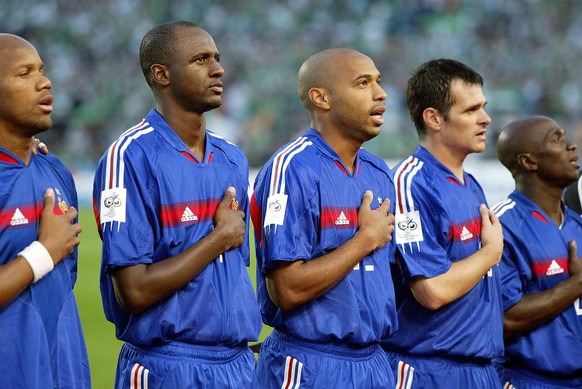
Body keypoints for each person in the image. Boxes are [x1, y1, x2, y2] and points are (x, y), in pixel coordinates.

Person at [92, 21, 261, 388]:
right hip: (167, 367)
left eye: (216, 58)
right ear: (162, 74)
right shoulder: (129, 157)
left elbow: (231, 274)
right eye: (201, 60)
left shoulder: (232, 159)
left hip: (237, 364)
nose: (218, 69)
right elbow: (134, 291)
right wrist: (217, 238)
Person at [250, 48, 398, 388]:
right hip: (311, 365)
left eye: (378, 81)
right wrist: (364, 240)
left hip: (374, 363)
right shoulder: (291, 169)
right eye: (363, 83)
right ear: (321, 98)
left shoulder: (379, 173)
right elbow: (286, 289)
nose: (381, 93)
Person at [382, 58, 505, 387]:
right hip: (428, 370)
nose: (485, 119)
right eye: (471, 110)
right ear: (433, 118)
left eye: (484, 107)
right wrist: (490, 253)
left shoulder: (472, 184)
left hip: (481, 370)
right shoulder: (410, 184)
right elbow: (431, 290)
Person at [0, 34, 89, 388]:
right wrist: (44, 252)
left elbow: (65, 283)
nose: (44, 81)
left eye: (41, 70)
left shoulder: (55, 171)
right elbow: (52, 257)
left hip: (64, 371)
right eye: (24, 73)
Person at [493, 115, 582, 388]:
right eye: (557, 139)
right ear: (528, 161)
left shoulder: (577, 224)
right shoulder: (501, 226)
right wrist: (577, 284)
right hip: (529, 379)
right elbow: (505, 318)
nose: (572, 146)